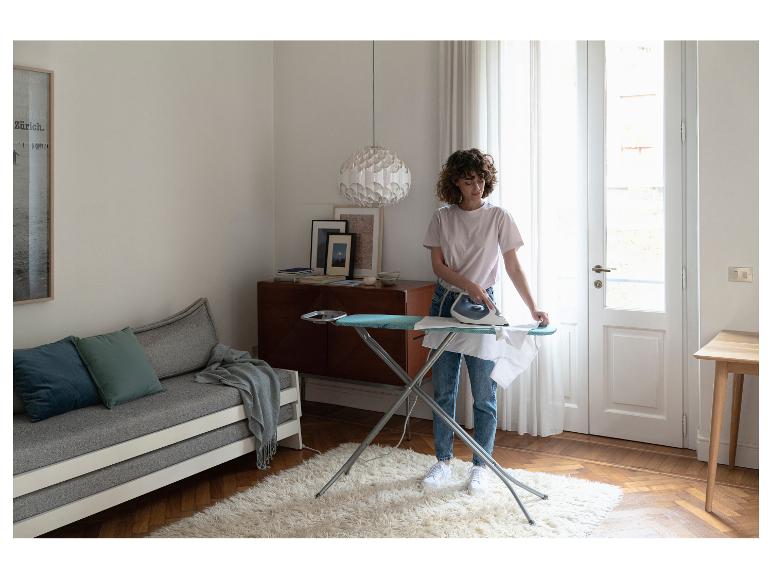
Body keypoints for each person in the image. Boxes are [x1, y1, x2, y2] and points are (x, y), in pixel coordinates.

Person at [421, 148, 549, 496]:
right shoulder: (441, 218)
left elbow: (513, 266)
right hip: (446, 303)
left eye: (479, 179)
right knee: (444, 390)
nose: (475, 186)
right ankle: (443, 461)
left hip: (482, 308)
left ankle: (481, 465)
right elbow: (438, 266)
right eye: (467, 180)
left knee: (484, 394)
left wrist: (533, 307)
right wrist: (468, 285)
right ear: (455, 183)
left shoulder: (499, 217)